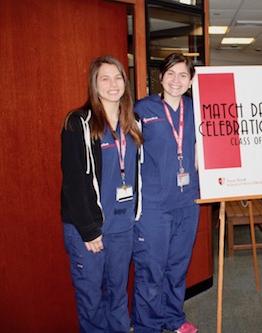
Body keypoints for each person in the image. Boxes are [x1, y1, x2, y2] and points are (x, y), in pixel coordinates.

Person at [61, 55, 144, 332]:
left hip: (123, 225)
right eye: (104, 78)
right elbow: (73, 181)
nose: (113, 84)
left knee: (118, 292)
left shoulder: (133, 122)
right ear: (94, 85)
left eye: (118, 77)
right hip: (90, 229)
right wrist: (88, 230)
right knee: (91, 298)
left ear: (125, 82)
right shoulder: (79, 122)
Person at [132, 53, 200, 333]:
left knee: (178, 266)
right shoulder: (142, 109)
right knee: (151, 270)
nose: (176, 80)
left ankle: (173, 318)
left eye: (183, 75)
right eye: (170, 74)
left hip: (188, 200)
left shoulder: (196, 109)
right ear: (160, 78)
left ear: (191, 80)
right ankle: (147, 326)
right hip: (153, 206)